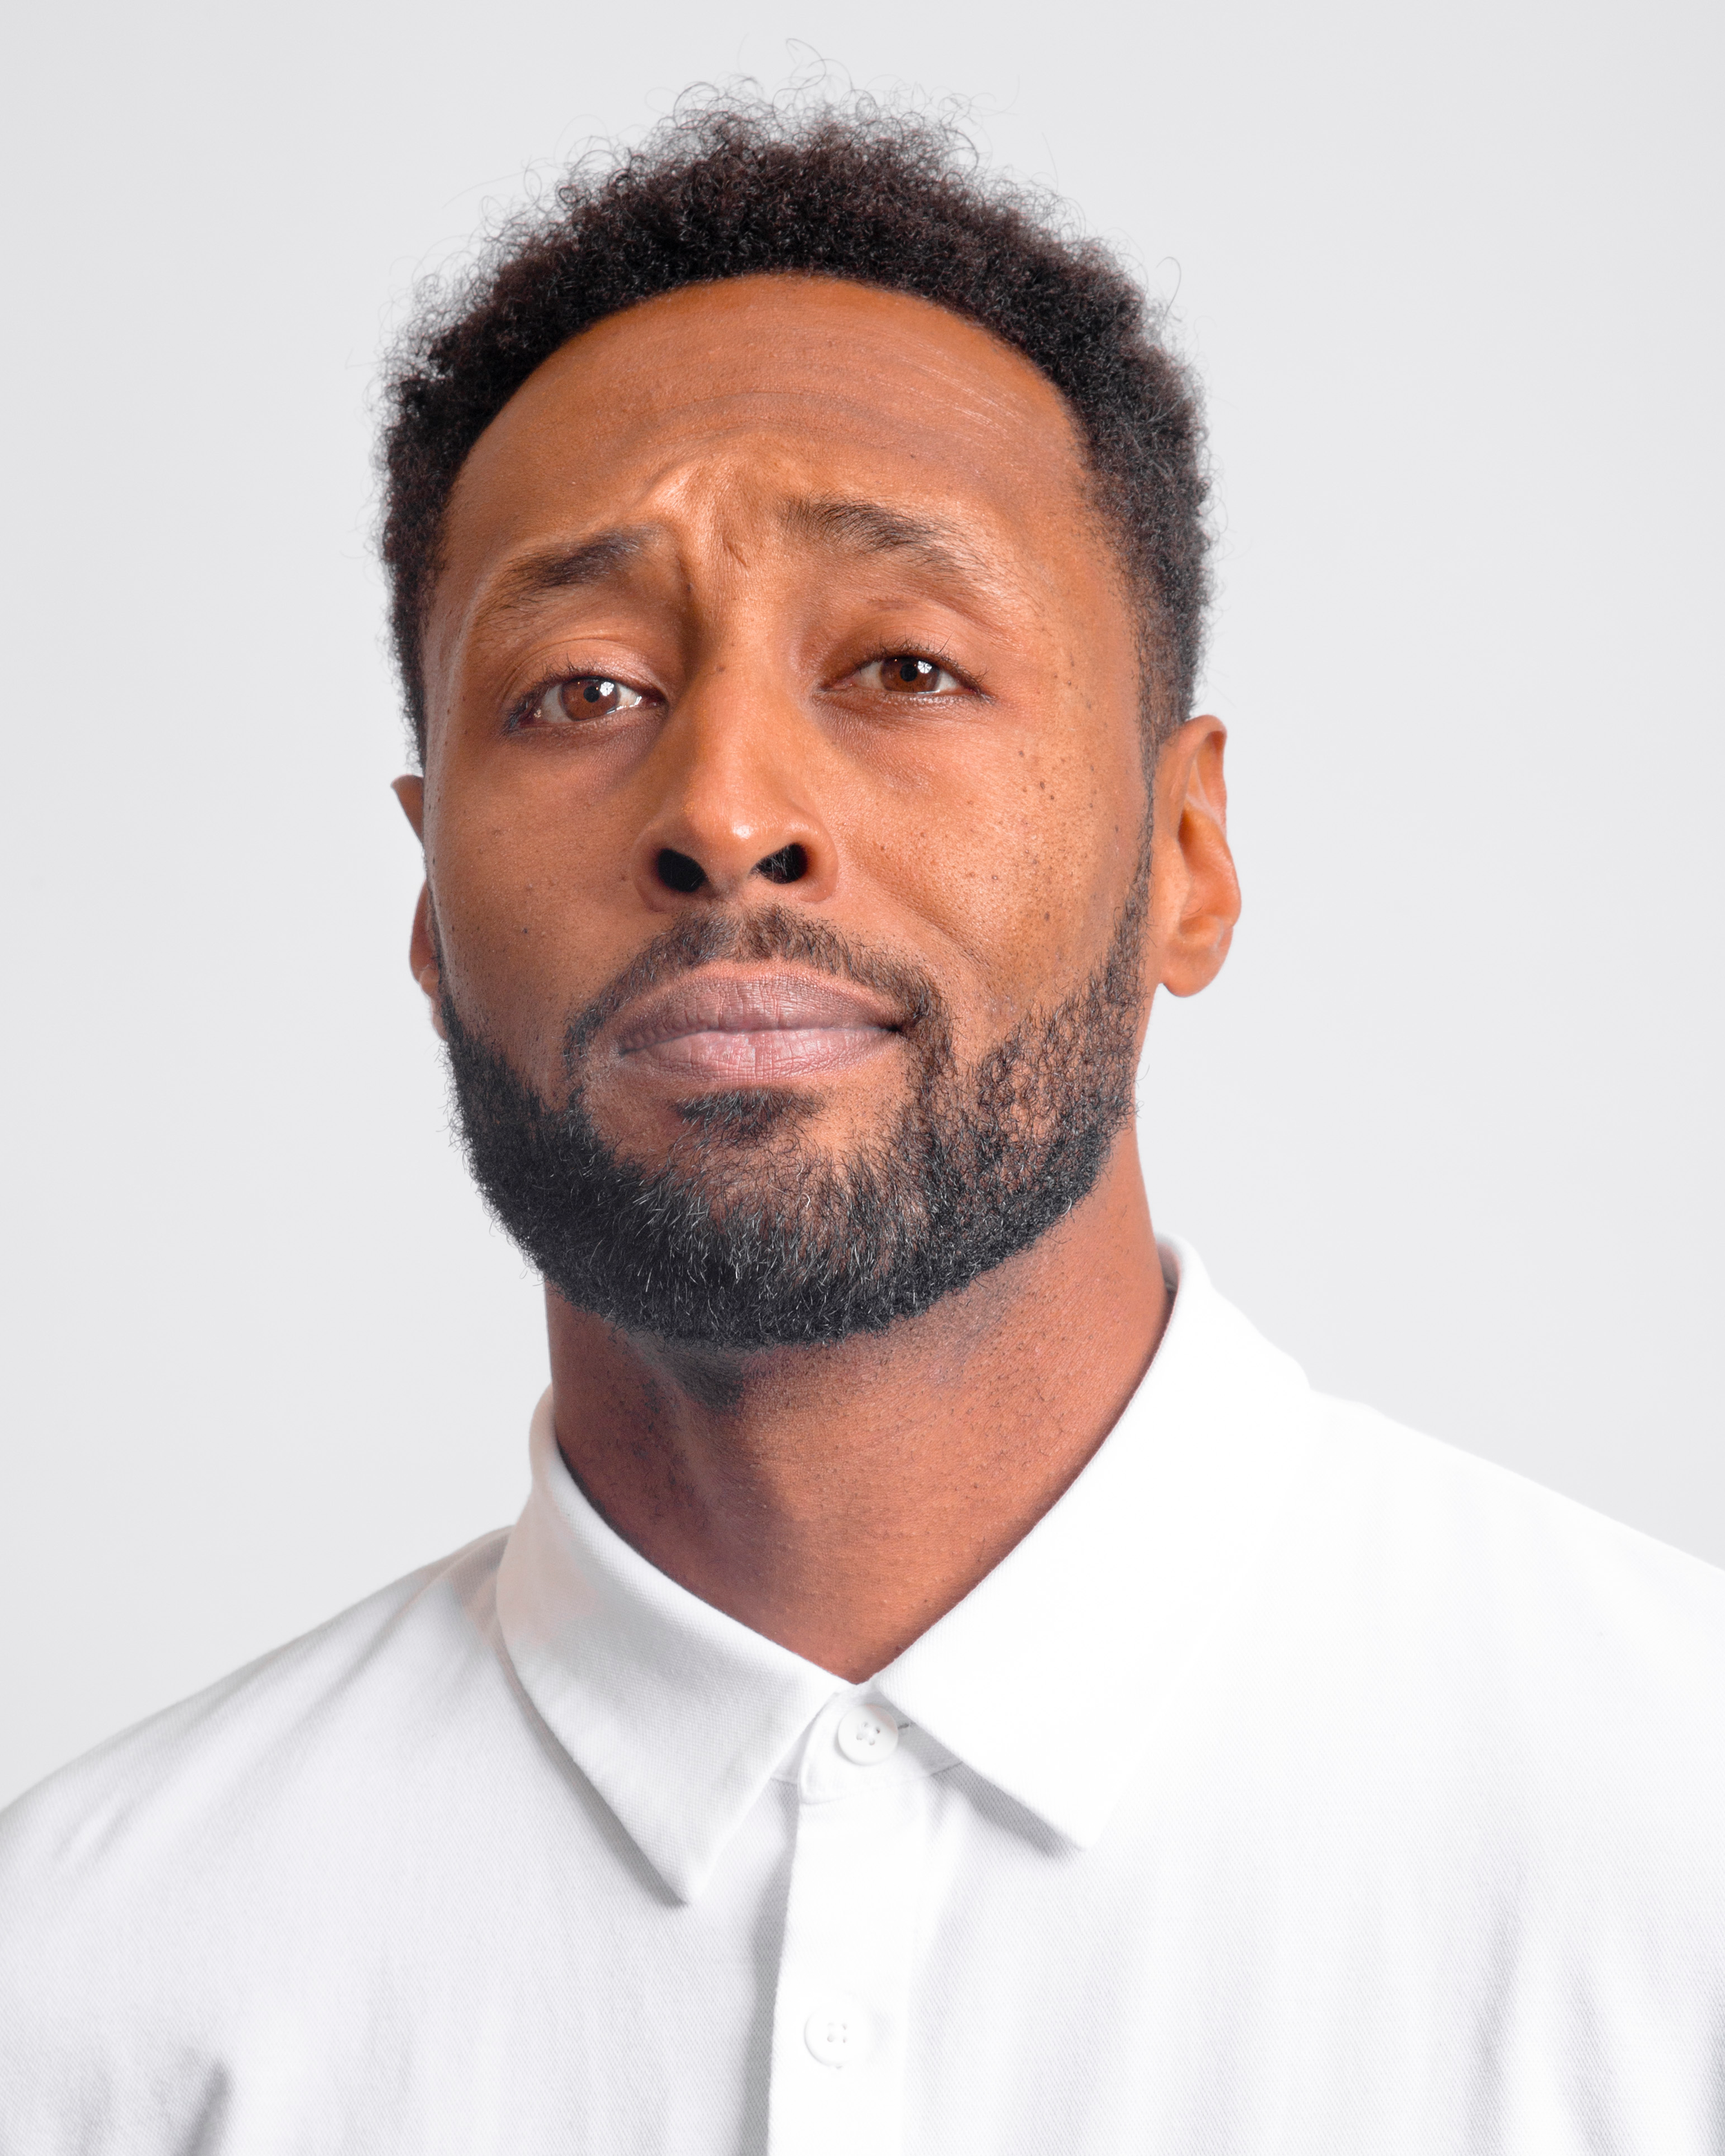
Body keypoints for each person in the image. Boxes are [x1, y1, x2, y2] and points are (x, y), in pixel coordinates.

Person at [3, 94, 1722, 2155]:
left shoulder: (1669, 1845)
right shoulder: (85, 1988)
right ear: (427, 899)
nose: (727, 811)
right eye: (580, 689)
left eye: (902, 662)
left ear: (1183, 855)